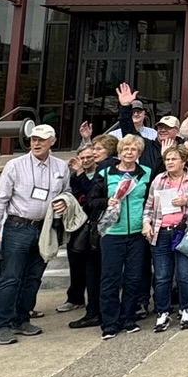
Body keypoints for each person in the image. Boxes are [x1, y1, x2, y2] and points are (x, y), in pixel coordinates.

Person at [0, 123, 68, 346]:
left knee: (33, 277)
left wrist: (64, 202)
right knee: (10, 277)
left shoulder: (61, 167)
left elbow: (66, 192)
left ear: (52, 141)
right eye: (33, 139)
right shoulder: (15, 165)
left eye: (42, 139)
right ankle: (0, 324)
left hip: (44, 229)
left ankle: (21, 319)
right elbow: (0, 199)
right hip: (17, 227)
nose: (36, 143)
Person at [145, 143, 188, 332]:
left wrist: (187, 200)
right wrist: (146, 223)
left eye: (174, 159)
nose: (169, 162)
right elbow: (149, 205)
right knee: (162, 276)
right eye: (167, 159)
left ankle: (187, 309)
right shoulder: (159, 180)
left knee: (185, 274)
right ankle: (162, 312)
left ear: (183, 161)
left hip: (185, 232)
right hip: (161, 232)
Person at [95, 134, 153, 336]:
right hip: (113, 232)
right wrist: (106, 202)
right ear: (119, 152)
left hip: (137, 232)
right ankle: (109, 322)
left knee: (134, 277)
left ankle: (128, 317)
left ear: (139, 153)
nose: (129, 152)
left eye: (133, 149)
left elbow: (150, 201)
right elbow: (91, 201)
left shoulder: (146, 173)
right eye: (126, 149)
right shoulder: (105, 173)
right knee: (110, 278)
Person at [61, 141, 107, 328]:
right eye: (83, 158)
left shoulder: (101, 174)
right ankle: (76, 298)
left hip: (93, 226)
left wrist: (80, 173)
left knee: (93, 269)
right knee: (76, 264)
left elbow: (90, 198)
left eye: (89, 157)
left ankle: (94, 310)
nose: (86, 160)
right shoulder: (74, 177)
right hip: (76, 225)